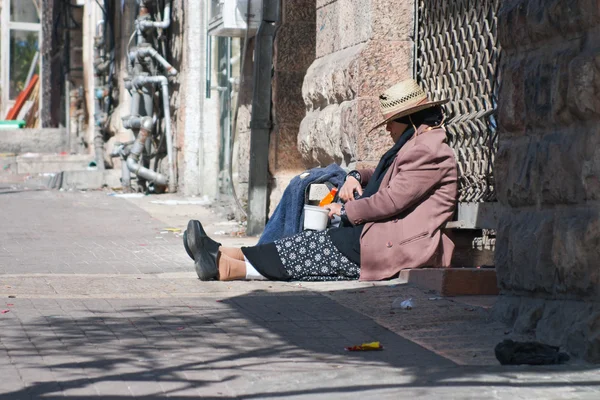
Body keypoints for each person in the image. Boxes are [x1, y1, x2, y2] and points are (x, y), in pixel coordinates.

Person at [184, 79, 458, 282]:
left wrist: (344, 209)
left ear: (408, 118)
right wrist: (354, 175)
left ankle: (223, 267)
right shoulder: (417, 145)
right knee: (303, 245)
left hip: (396, 245)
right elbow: (385, 175)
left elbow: (392, 200)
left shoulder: (429, 151)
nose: (387, 128)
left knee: (312, 249)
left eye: (391, 122)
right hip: (375, 235)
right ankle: (222, 253)